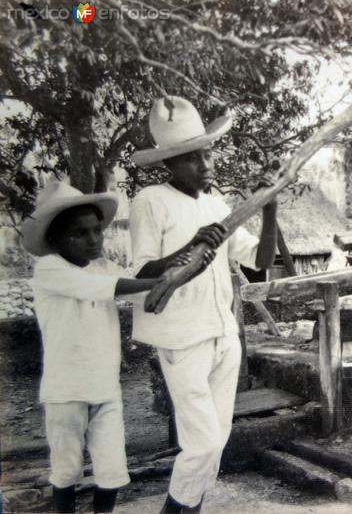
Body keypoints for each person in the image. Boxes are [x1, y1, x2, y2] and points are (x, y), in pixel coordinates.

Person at [129, 96, 277, 514]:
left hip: (222, 334)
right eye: (191, 159)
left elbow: (260, 261)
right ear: (169, 165)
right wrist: (191, 244)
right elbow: (141, 273)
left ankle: (187, 509)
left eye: (206, 153)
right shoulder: (151, 201)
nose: (205, 164)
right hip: (182, 337)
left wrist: (271, 211)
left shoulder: (217, 205)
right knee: (203, 443)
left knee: (216, 442)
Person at [21, 182, 192, 513]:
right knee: (66, 469)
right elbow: (106, 288)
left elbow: (137, 293)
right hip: (65, 390)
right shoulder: (50, 269)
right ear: (55, 240)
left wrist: (175, 273)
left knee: (112, 469)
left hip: (105, 387)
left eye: (96, 230)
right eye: (79, 233)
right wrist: (162, 281)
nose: (93, 239)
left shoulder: (105, 267)